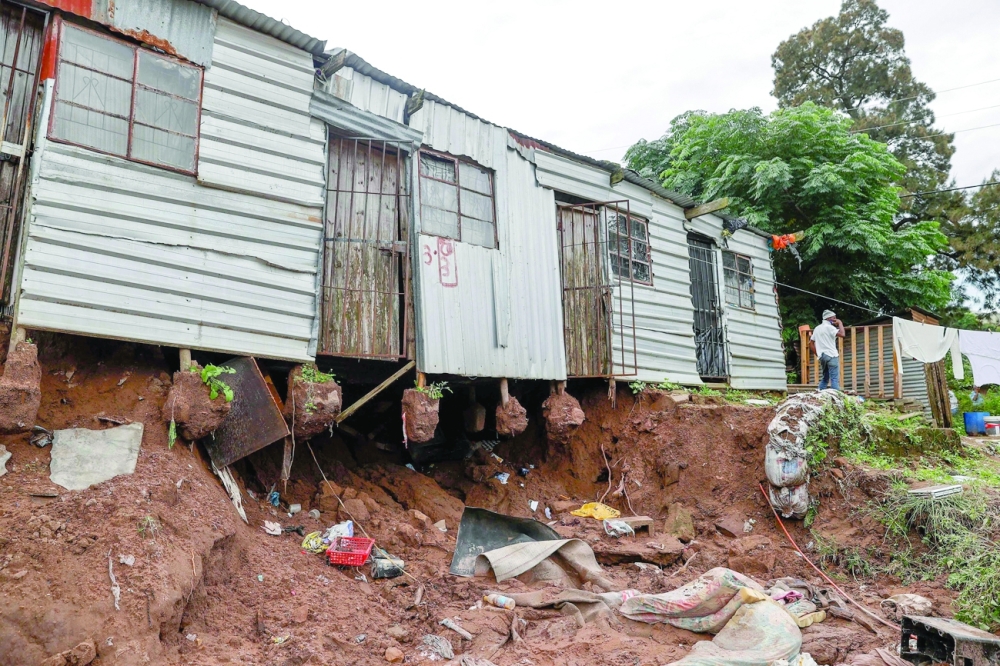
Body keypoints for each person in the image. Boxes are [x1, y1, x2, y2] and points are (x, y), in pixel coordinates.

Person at [810, 309, 846, 390]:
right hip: (832, 355)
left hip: (822, 356)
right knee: (834, 379)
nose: (836, 319)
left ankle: (818, 395)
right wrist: (840, 323)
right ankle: (836, 399)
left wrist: (818, 354)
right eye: (834, 318)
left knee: (825, 378)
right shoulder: (830, 327)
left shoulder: (817, 328)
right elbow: (843, 334)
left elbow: (811, 343)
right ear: (829, 318)